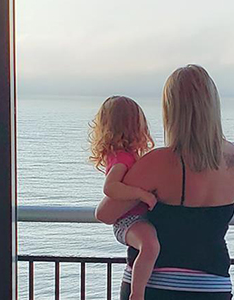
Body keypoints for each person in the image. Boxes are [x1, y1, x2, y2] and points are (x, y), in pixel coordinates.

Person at [95, 64, 234, 300]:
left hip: (155, 287)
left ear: (172, 110)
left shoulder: (159, 161)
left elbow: (106, 214)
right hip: (214, 286)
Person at [89, 96, 159, 300]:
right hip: (128, 221)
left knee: (150, 245)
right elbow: (110, 188)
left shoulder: (128, 156)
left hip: (135, 219)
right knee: (150, 245)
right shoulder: (122, 159)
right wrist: (141, 194)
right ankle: (137, 294)